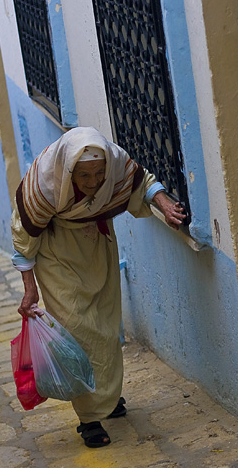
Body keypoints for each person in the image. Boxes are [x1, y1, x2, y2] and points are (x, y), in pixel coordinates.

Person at [11, 126, 186, 447]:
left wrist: (163, 202)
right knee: (78, 328)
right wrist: (29, 287)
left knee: (105, 327)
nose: (94, 183)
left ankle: (106, 396)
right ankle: (90, 418)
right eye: (84, 176)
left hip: (99, 247)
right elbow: (24, 237)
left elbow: (142, 182)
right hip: (57, 255)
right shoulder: (44, 185)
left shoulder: (116, 164)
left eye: (99, 174)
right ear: (66, 172)